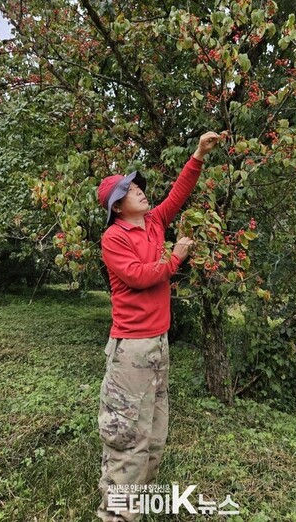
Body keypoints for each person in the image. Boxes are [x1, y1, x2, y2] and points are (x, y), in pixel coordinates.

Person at [96, 132, 220, 521]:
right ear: (118, 206)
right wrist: (176, 258)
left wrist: (198, 154)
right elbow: (138, 276)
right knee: (127, 438)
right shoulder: (114, 238)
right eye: (132, 190)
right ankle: (116, 514)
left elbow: (178, 195)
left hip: (157, 346)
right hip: (131, 350)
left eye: (138, 187)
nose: (141, 192)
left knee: (153, 435)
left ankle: (134, 506)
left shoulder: (153, 223)